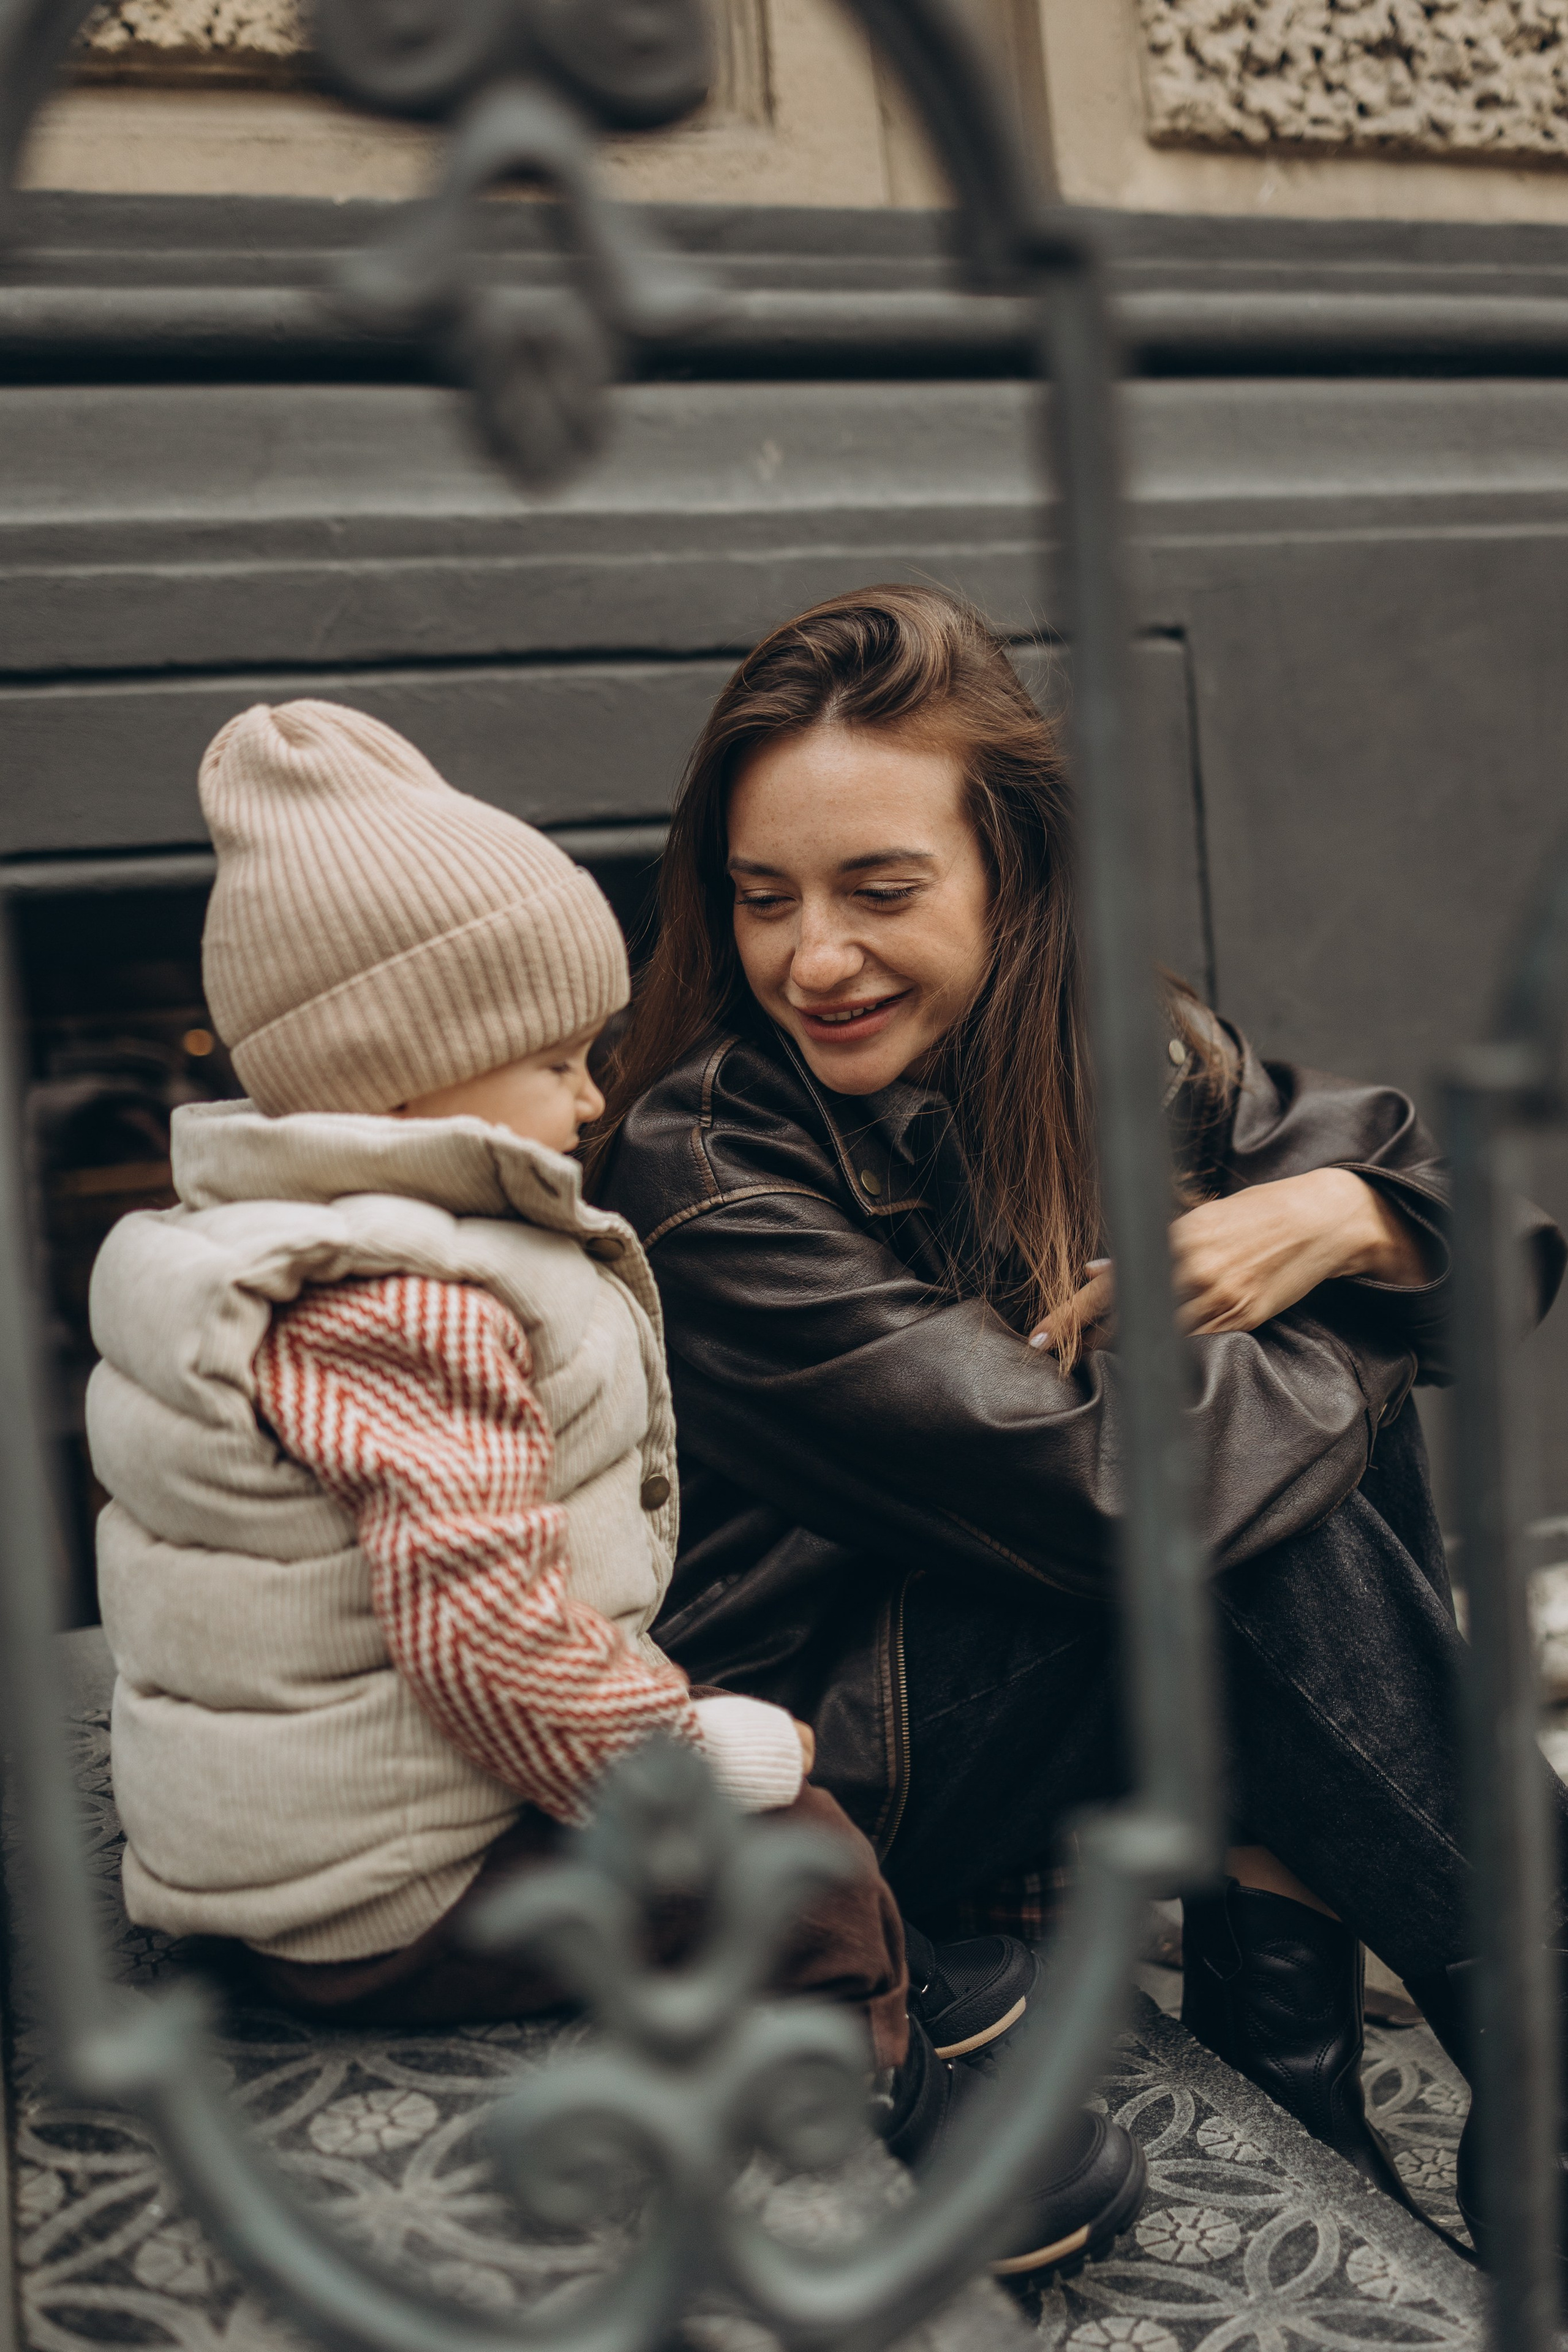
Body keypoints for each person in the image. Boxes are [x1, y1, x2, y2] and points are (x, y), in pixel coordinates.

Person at [85, 698, 1141, 2282]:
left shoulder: (254, 1239)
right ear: (413, 1077)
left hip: (316, 1819)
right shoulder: (406, 1307)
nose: (593, 1102)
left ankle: (894, 1973)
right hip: (379, 1900)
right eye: (554, 1062)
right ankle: (893, 2115)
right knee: (800, 1858)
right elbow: (486, 1644)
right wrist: (686, 1759)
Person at [592, 583, 1568, 2257]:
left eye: (878, 890)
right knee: (1264, 1493)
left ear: (1014, 877)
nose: (812, 959)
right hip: (817, 1764)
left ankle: (1304, 2085)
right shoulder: (709, 1171)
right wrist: (1343, 1300)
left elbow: (1489, 1254)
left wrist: (1338, 1220)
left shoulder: (1133, 1053)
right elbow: (1118, 1489)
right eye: (764, 902)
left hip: (1056, 1670)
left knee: (1271, 1443)